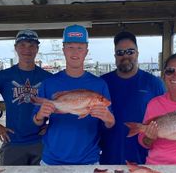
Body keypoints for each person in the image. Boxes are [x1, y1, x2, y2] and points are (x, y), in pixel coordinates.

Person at [33, 24, 115, 165]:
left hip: (88, 160)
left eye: (80, 48)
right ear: (63, 50)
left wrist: (108, 118)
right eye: (70, 47)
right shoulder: (49, 83)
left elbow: (110, 124)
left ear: (86, 51)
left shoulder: (99, 84)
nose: (75, 52)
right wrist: (40, 115)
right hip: (52, 160)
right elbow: (36, 121)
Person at [0, 30, 52, 165]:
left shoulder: (48, 78)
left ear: (37, 49)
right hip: (12, 142)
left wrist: (52, 125)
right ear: (15, 48)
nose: (27, 49)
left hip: (41, 142)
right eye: (22, 45)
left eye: (32, 45)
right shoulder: (4, 76)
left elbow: (58, 104)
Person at [99, 31, 166, 165]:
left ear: (137, 53)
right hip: (109, 156)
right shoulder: (102, 83)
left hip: (145, 157)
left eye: (130, 51)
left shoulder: (154, 83)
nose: (125, 56)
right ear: (115, 56)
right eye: (120, 52)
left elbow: (165, 119)